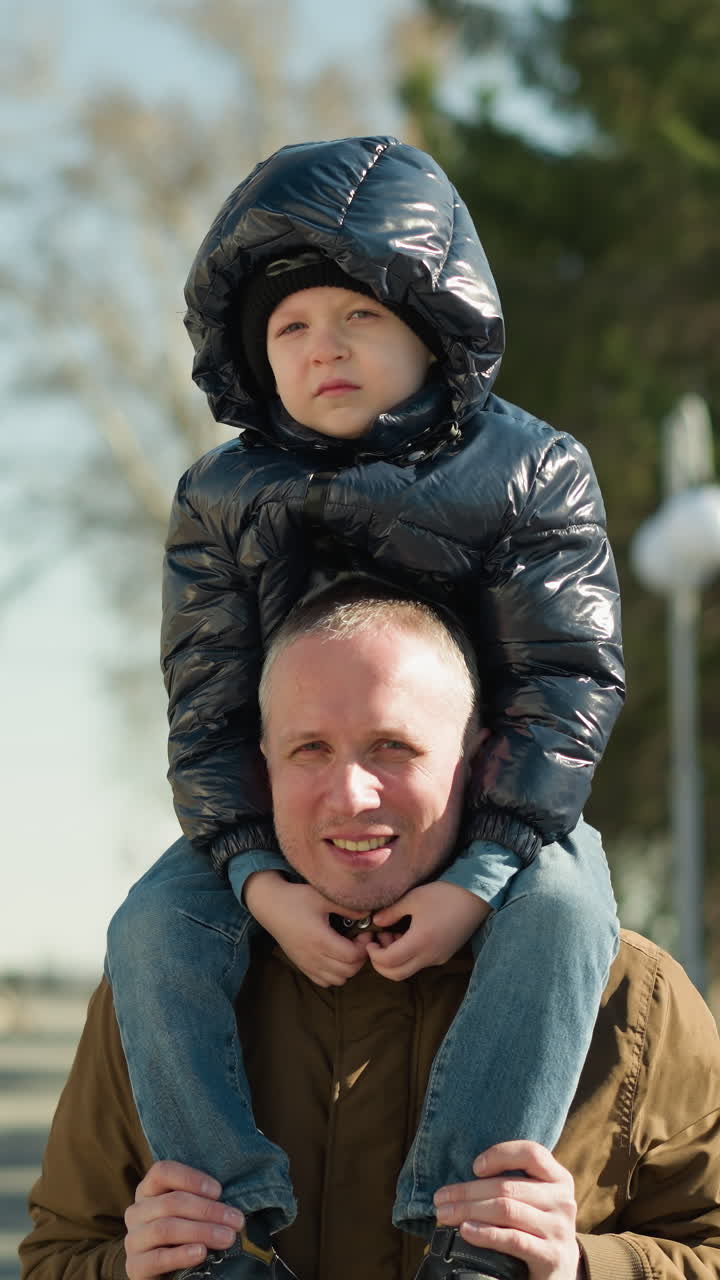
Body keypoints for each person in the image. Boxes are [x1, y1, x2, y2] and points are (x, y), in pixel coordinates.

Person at [105, 136, 626, 1277]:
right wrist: (258, 878)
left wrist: (480, 873)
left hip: (504, 815)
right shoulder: (220, 497)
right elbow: (207, 710)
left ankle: (474, 1224)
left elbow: (567, 683)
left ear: (432, 326)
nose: (322, 347)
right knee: (149, 929)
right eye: (290, 327)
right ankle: (219, 1226)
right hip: (275, 828)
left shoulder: (532, 470)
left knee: (566, 912)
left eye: (358, 316)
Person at [20, 585, 720, 1280]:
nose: (352, 795)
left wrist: (582, 1267)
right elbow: (57, 1256)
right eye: (310, 749)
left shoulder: (632, 996)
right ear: (261, 765)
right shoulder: (163, 985)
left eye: (393, 747)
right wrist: (130, 1270)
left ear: (479, 760)